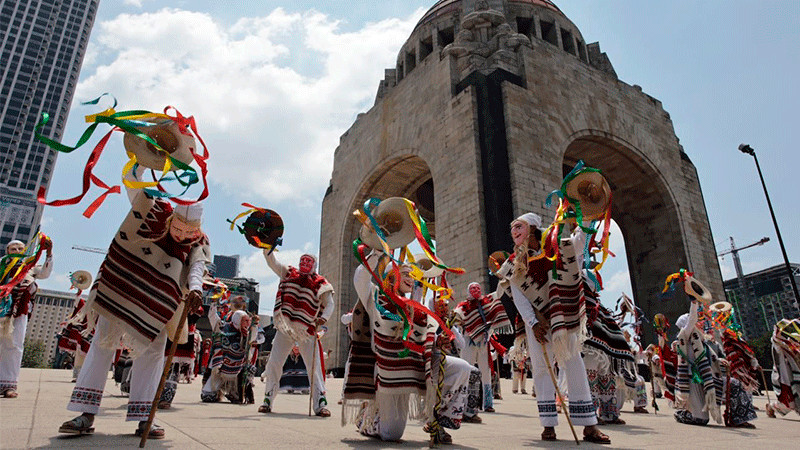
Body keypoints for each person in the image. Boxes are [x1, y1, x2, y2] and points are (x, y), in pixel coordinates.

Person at [58, 188, 209, 440]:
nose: (183, 236)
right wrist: (141, 161)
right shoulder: (155, 211)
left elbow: (197, 266)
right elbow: (133, 186)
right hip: (122, 289)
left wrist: (195, 288)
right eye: (178, 229)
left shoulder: (201, 241)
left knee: (152, 353)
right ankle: (85, 413)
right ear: (171, 219)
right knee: (102, 343)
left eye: (189, 232)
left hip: (158, 301)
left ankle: (143, 417)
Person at [498, 213, 610, 444]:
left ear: (532, 228)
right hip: (537, 321)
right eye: (512, 229)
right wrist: (534, 323)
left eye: (518, 226)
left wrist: (586, 220)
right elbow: (519, 296)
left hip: (562, 317)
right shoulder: (515, 262)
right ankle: (548, 424)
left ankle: (589, 425)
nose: (514, 231)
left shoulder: (555, 248)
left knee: (574, 363)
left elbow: (579, 244)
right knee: (541, 369)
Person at [342, 251, 471, 444]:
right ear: (391, 275)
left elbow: (422, 337)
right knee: (391, 434)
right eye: (406, 274)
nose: (411, 278)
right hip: (392, 374)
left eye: (413, 275)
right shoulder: (375, 298)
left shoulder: (416, 309)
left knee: (462, 368)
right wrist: (376, 252)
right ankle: (366, 419)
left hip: (419, 366)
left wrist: (437, 342)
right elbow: (360, 277)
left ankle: (437, 421)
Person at [258, 250, 334, 416]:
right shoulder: (289, 273)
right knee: (274, 363)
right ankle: (268, 399)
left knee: (314, 366)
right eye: (303, 261)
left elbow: (330, 304)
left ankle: (320, 404)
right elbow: (273, 263)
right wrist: (267, 250)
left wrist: (324, 319)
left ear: (314, 265)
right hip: (286, 326)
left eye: (309, 262)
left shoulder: (321, 283)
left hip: (307, 329)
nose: (305, 264)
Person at [0, 237, 53, 398]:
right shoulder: (1, 265)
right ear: (7, 251)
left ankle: (8, 384)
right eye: (13, 249)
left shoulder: (29, 268)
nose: (16, 251)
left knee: (14, 345)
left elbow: (45, 273)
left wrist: (48, 253)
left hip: (18, 311)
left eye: (20, 249)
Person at [451, 282, 512, 413]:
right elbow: (455, 316)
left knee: (486, 371)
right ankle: (463, 401)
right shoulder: (463, 306)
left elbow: (498, 293)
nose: (476, 290)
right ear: (468, 290)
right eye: (473, 288)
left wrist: (502, 280)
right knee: (467, 369)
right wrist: (461, 321)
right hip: (469, 340)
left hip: (483, 341)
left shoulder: (486, 301)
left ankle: (488, 404)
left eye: (478, 288)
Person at [672, 302, 723, 426]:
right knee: (702, 420)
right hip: (691, 377)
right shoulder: (685, 335)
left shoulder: (698, 339)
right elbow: (693, 319)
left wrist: (719, 360)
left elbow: (709, 355)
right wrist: (693, 303)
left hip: (703, 375)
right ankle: (682, 414)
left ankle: (687, 412)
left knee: (703, 418)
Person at [201, 309, 259, 403]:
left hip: (237, 371)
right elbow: (213, 317)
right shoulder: (223, 327)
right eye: (245, 321)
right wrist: (213, 304)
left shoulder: (247, 333)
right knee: (207, 397)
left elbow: (253, 339)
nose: (248, 324)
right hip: (220, 368)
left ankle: (236, 393)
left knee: (249, 370)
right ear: (238, 320)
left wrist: (255, 325)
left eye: (249, 321)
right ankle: (217, 392)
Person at [766, 318, 800, 418]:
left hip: (796, 376)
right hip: (787, 377)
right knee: (789, 404)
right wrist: (778, 330)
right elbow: (775, 340)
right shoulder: (784, 347)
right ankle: (771, 407)